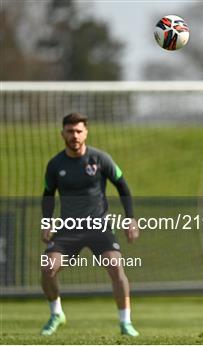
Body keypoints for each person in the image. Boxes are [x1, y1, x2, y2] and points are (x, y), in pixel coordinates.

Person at [40, 113, 140, 337]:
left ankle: (126, 323)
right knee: (48, 268)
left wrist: (130, 218)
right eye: (70, 131)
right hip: (68, 228)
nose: (74, 135)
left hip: (99, 227)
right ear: (62, 134)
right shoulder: (55, 165)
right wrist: (46, 222)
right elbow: (48, 194)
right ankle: (56, 314)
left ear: (86, 132)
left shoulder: (100, 159)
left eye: (78, 131)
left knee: (116, 268)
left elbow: (122, 186)